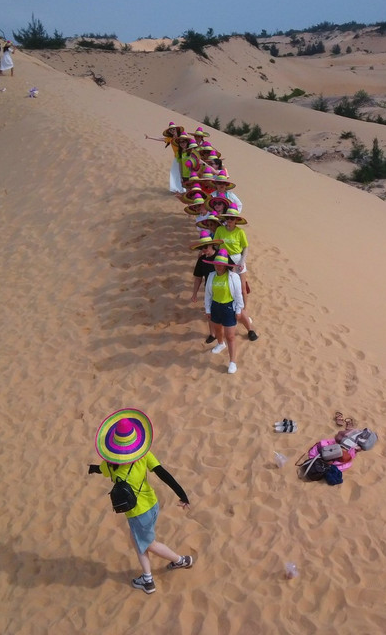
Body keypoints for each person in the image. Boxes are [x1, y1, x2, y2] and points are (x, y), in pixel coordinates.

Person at [89, 408, 193, 595]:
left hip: (137, 513)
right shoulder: (145, 456)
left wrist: (92, 469)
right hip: (152, 505)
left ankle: (175, 564)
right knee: (138, 541)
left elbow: (100, 469)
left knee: (147, 544)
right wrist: (182, 494)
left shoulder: (111, 465)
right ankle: (149, 576)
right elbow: (164, 474)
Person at [214, 208, 258, 341]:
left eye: (232, 219)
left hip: (238, 260)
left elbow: (245, 247)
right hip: (224, 260)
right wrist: (221, 253)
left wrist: (242, 261)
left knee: (243, 288)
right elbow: (215, 244)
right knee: (231, 287)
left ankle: (244, 310)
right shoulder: (220, 230)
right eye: (228, 218)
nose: (229, 221)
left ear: (236, 221)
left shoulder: (240, 232)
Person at [204, 249, 243, 374]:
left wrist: (238, 310)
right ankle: (220, 344)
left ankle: (232, 362)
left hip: (228, 308)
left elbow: (238, 295)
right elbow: (207, 295)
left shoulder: (233, 277)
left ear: (225, 266)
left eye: (221, 265)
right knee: (217, 330)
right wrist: (208, 309)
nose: (218, 267)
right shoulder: (211, 276)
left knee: (230, 336)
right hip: (215, 306)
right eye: (216, 264)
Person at [189, 231, 220, 342]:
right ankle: (213, 334)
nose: (204, 249)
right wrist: (194, 293)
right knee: (210, 312)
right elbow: (198, 278)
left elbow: (232, 272)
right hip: (209, 290)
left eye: (206, 246)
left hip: (224, 288)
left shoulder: (221, 255)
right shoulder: (201, 260)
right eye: (202, 247)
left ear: (212, 245)